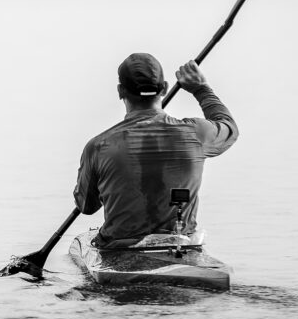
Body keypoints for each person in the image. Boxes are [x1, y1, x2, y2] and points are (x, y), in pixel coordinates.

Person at [73, 52, 238, 249]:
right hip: (182, 246)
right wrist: (201, 89)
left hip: (119, 248)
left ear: (120, 91)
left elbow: (86, 206)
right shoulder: (197, 133)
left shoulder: (98, 147)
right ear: (165, 88)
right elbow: (229, 127)